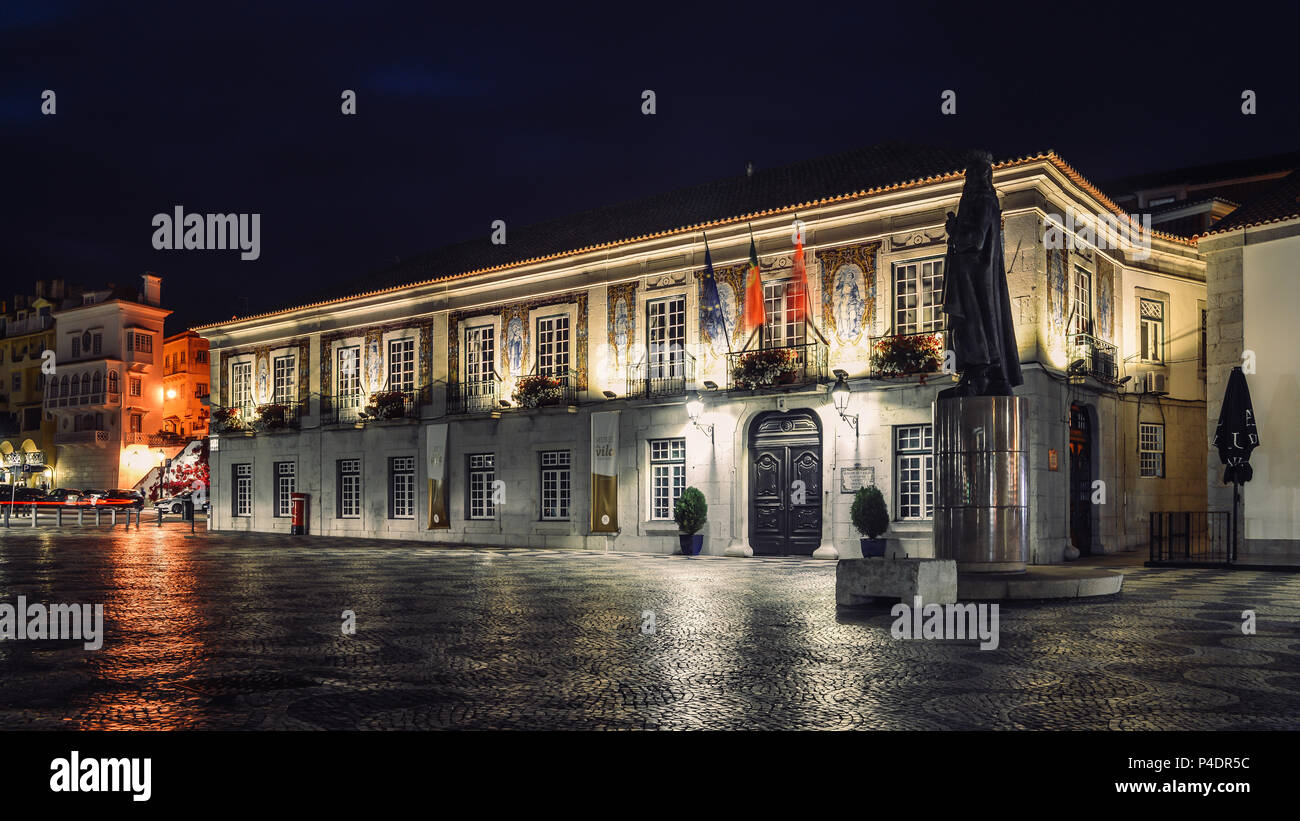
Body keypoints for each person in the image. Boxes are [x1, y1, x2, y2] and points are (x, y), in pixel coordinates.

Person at [939, 151, 1023, 398]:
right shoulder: (976, 201)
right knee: (968, 323)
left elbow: (975, 239)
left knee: (975, 322)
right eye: (968, 175)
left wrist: (955, 231)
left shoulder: (985, 201)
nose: (968, 180)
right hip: (967, 275)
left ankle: (982, 370)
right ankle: (974, 371)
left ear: (983, 175)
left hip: (975, 278)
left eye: (972, 174)